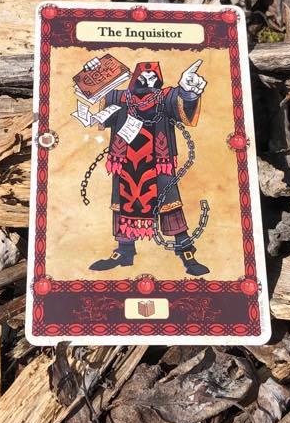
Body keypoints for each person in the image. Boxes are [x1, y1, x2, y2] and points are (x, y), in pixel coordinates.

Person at [81, 57, 209, 275]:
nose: (148, 81)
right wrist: (92, 73)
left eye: (152, 77)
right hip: (125, 160)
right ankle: (124, 251)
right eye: (143, 77)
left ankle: (186, 252)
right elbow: (97, 103)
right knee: (122, 203)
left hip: (159, 161)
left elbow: (183, 104)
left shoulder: (167, 97)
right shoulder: (118, 97)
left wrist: (189, 92)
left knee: (170, 204)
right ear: (134, 78)